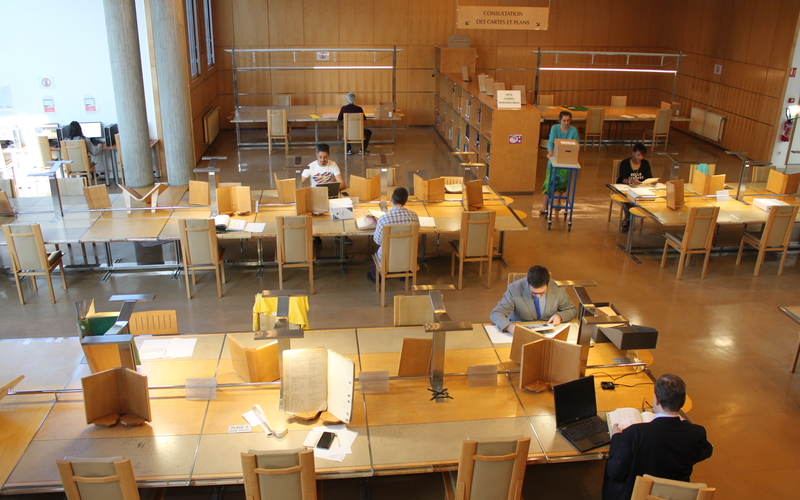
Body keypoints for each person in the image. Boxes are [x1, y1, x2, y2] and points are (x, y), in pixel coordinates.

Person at [602, 374, 713, 500]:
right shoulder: (696, 432)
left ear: (656, 400)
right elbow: (706, 451)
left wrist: (616, 437)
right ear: (682, 401)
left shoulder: (634, 433)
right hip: (674, 496)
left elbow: (616, 472)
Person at [490, 265, 577, 334]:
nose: (538, 296)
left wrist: (560, 316)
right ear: (528, 282)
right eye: (534, 293)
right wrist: (509, 327)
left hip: (548, 329)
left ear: (548, 283)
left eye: (542, 293)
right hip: (522, 329)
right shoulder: (514, 289)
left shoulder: (558, 288)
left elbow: (571, 310)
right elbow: (496, 313)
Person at [367, 187, 419, 282]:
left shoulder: (384, 219)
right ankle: (403, 273)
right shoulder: (414, 216)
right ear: (406, 201)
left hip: (388, 256)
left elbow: (377, 240)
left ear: (391, 198)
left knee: (379, 249)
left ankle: (375, 276)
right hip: (407, 256)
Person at [301, 144, 348, 246]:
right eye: (320, 157)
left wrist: (332, 187)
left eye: (325, 157)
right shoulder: (311, 167)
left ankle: (339, 234)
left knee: (341, 207)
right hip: (315, 196)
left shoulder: (333, 165)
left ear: (329, 155)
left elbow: (343, 183)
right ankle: (316, 237)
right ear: (316, 155)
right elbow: (299, 182)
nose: (323, 160)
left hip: (330, 194)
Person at [541, 111, 579, 214]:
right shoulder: (555, 128)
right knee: (548, 181)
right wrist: (550, 151)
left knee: (563, 180)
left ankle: (558, 200)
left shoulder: (573, 130)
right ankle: (545, 206)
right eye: (564, 120)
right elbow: (551, 140)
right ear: (560, 120)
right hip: (554, 156)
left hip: (567, 159)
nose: (566, 123)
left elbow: (576, 144)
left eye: (568, 120)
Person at [616, 142, 654, 233]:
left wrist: (652, 181)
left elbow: (649, 177)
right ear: (633, 153)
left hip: (640, 189)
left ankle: (628, 219)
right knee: (627, 199)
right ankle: (629, 218)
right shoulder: (625, 163)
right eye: (638, 155)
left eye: (642, 156)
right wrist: (631, 181)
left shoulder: (645, 163)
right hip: (625, 188)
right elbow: (623, 178)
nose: (640, 158)